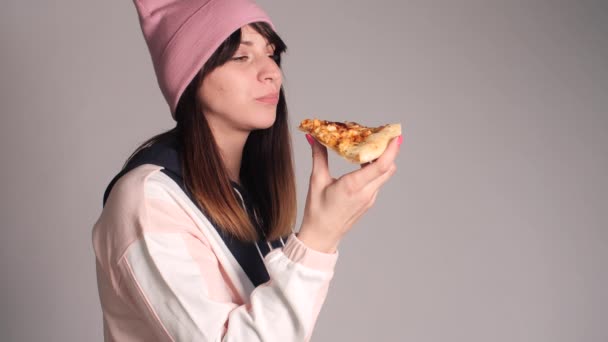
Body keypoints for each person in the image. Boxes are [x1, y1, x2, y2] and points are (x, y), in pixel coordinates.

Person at [92, 0, 402, 341]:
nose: (272, 72)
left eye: (272, 54)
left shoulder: (246, 192)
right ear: (191, 76)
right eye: (242, 56)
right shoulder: (148, 201)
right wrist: (318, 239)